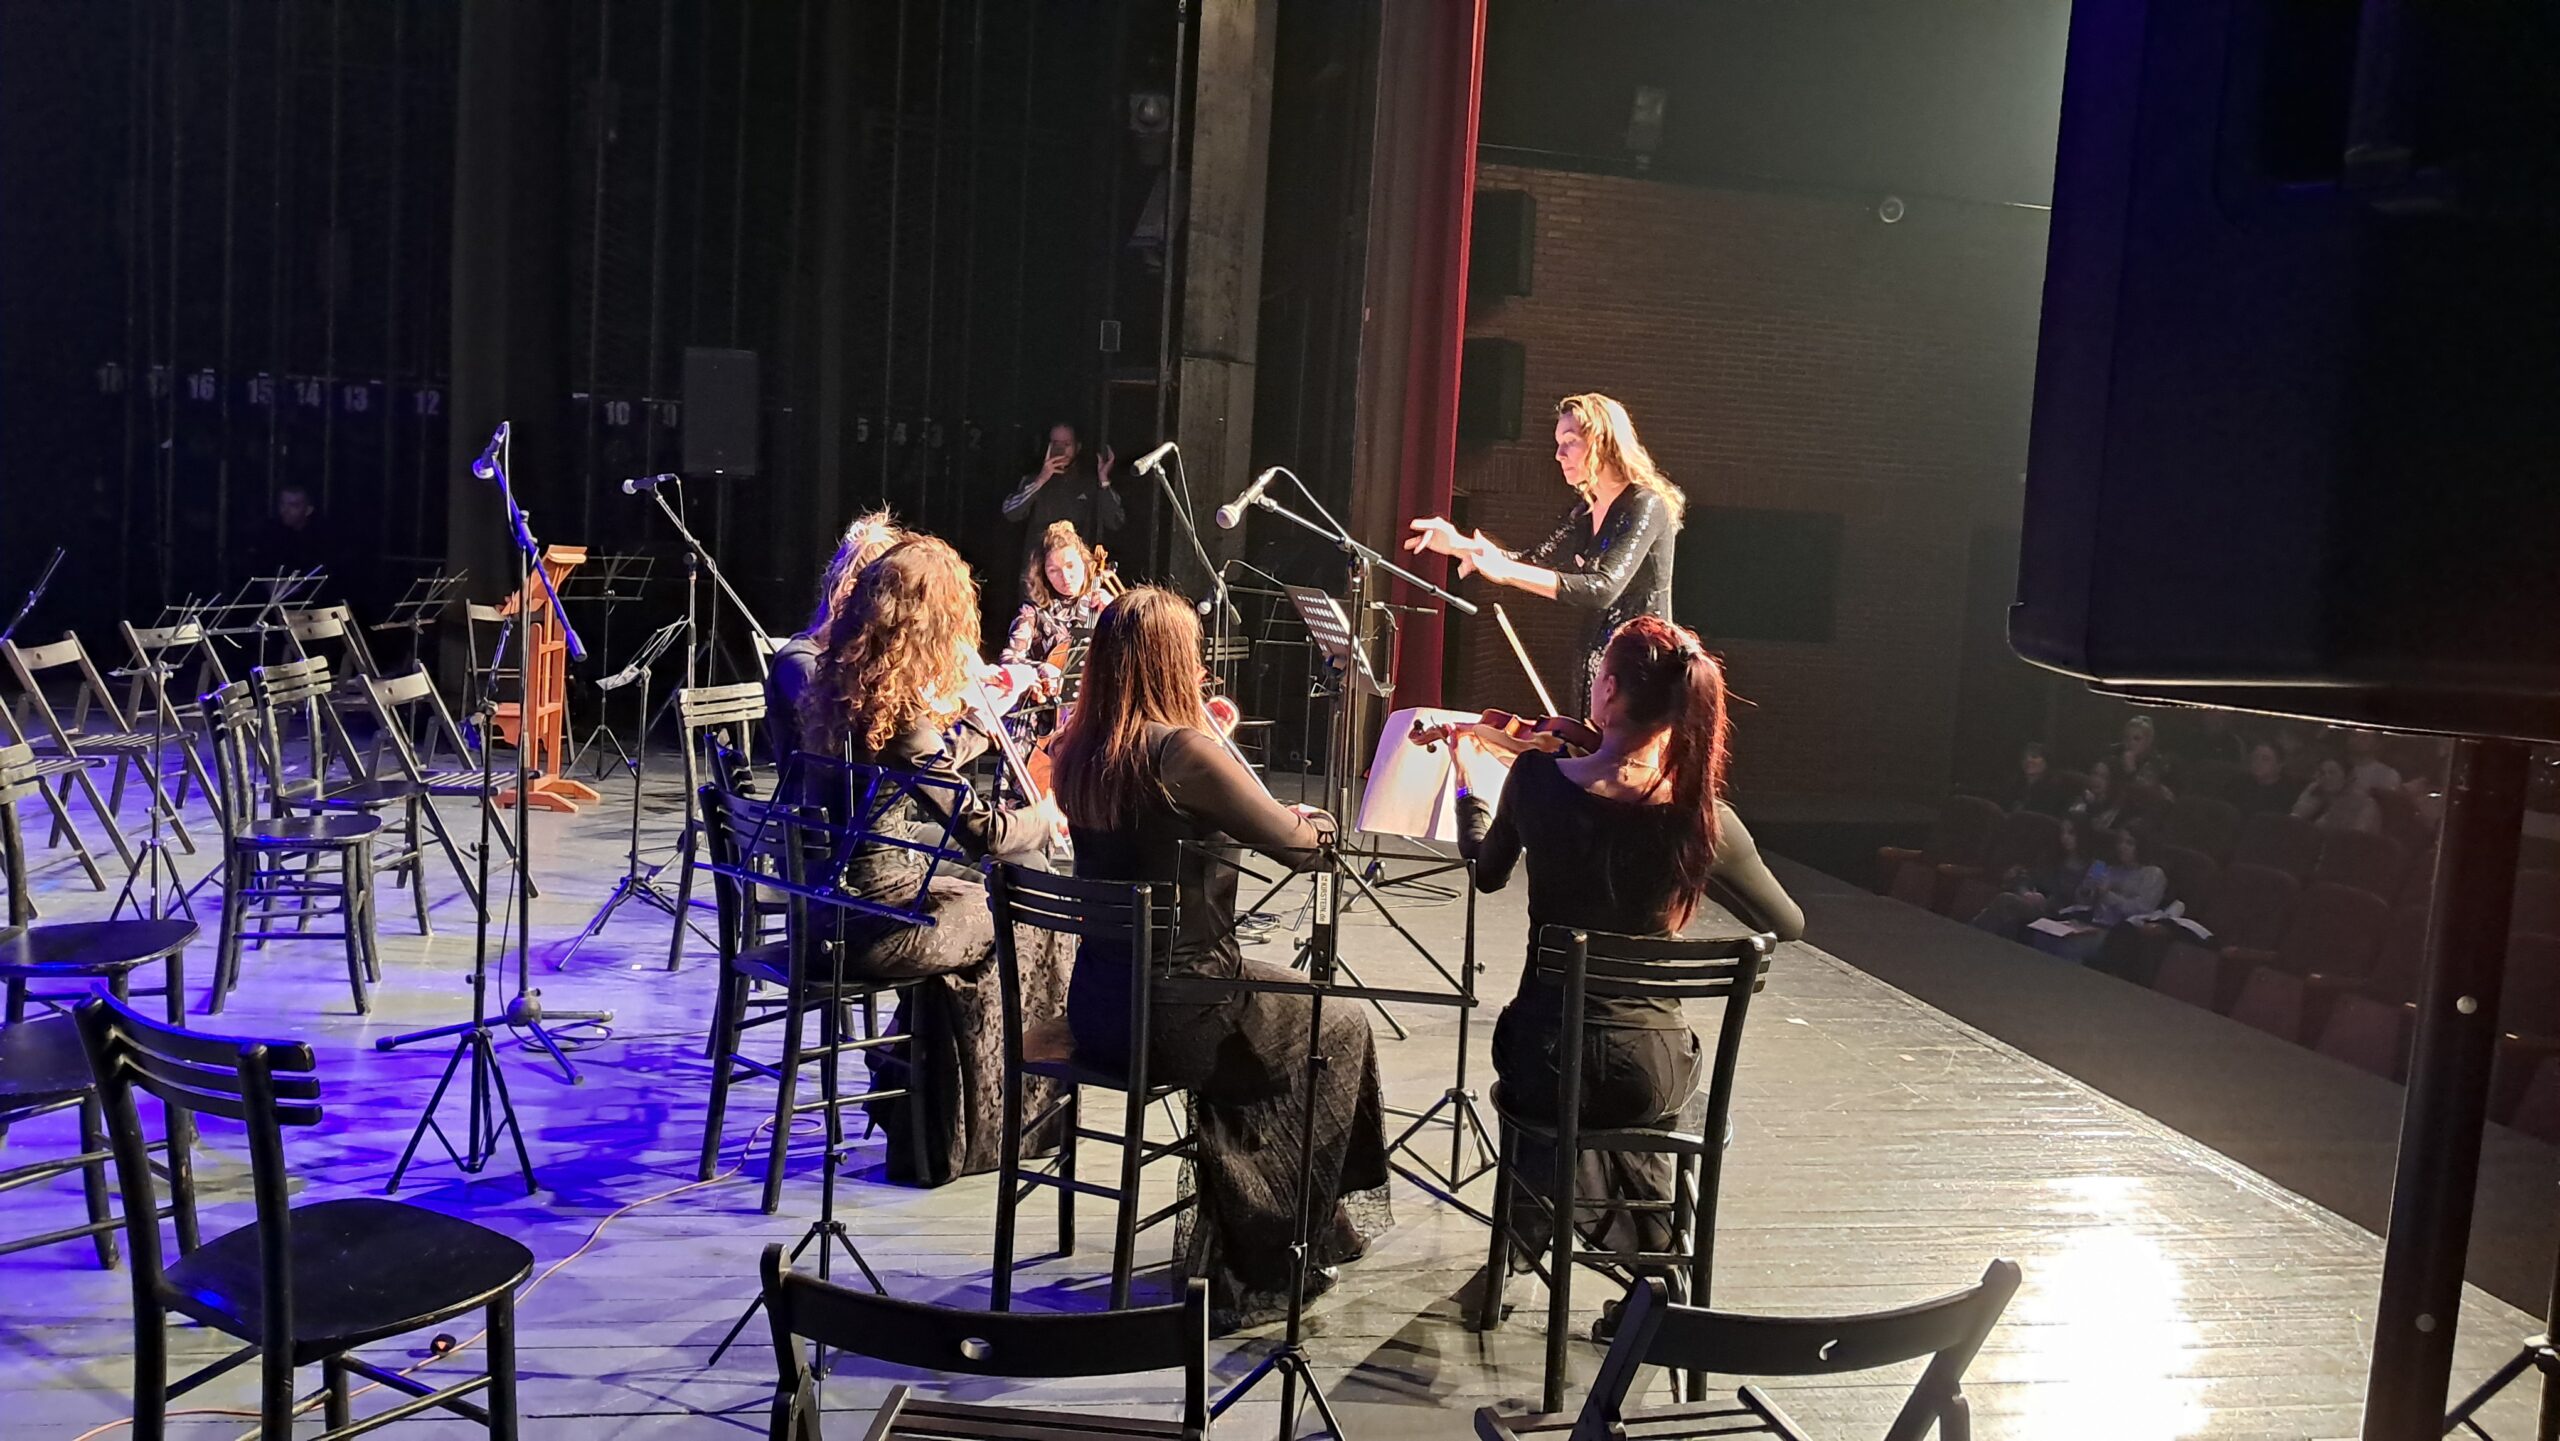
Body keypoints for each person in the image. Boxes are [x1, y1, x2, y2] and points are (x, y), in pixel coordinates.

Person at [1051, 587, 1389, 1332]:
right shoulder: (1185, 751)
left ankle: (1294, 1222)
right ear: (1169, 661)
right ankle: (1271, 1243)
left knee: (1287, 1015)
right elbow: (1300, 850)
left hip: (1101, 1003)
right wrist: (1312, 819)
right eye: (1194, 654)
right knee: (1338, 1024)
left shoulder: (1078, 749)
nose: (1202, 667)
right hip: (1182, 1009)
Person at [1451, 615, 1803, 1309]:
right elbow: (1786, 924)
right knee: (1625, 1085)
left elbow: (1487, 872)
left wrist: (1471, 797)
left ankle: (1518, 1247)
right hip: (1651, 1067)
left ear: (1609, 691)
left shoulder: (1536, 778)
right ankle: (1651, 1281)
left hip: (1543, 1058)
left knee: (1556, 1080)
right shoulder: (1705, 819)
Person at [797, 537, 1073, 1187]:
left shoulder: (848, 686)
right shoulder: (899, 719)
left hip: (835, 904)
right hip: (878, 923)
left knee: (1011, 891)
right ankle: (982, 1120)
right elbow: (985, 830)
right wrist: (1048, 813)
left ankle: (918, 1086)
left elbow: (925, 765)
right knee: (1030, 908)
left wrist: (982, 720)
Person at [1404, 393, 1682, 713]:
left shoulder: (1645, 504)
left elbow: (1602, 588)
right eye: (1558, 443)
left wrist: (1506, 573)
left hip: (1643, 675)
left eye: (1570, 441)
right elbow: (1535, 560)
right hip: (1598, 669)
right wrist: (1460, 545)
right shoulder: (1584, 512)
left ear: (1602, 441)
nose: (1559, 454)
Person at [768, 508, 904, 761]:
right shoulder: (798, 662)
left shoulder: (876, 666)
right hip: (819, 788)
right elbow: (858, 731)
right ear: (849, 592)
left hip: (875, 787)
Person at [1002, 422, 1122, 595]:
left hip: (1077, 579)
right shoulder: (1033, 479)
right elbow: (1010, 512)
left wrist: (1103, 480)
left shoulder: (1089, 483)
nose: (1060, 450)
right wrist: (1041, 480)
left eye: (1066, 444)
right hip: (1038, 579)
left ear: (1077, 447)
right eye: (1055, 444)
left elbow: (1116, 520)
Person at [2027, 826, 2166, 964]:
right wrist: (2087, 889)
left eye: (2129, 843)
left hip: (2117, 933)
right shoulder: (2110, 869)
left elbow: (2142, 909)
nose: (2122, 847)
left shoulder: (2152, 874)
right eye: (2120, 842)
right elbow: (2083, 902)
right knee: (2042, 935)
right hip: (2092, 922)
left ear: (2141, 846)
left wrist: (2108, 895)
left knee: (2069, 946)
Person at [1001, 520, 1112, 671]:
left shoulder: (1101, 602)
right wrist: (1042, 668)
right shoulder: (1032, 611)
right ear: (1043, 574)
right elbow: (1008, 660)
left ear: (1084, 562)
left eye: (1070, 565)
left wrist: (1115, 613)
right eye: (1053, 570)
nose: (1065, 577)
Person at [1971, 817, 2090, 941]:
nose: (2065, 837)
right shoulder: (2052, 858)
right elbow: (2027, 878)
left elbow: (2078, 902)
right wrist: (2026, 893)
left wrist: (2048, 902)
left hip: (2058, 916)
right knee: (2007, 910)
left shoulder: (2090, 869)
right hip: (2033, 906)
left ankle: (1972, 934)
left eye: (2071, 833)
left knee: (2005, 901)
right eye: (2062, 832)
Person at [2293, 755, 2382, 833]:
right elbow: (2294, 818)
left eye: (2332, 773)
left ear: (2347, 777)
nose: (2326, 777)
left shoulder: (2365, 804)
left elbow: (2356, 837)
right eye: (2322, 773)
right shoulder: (2315, 790)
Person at [2230, 742, 2295, 816]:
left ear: (2279, 765)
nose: (2258, 762)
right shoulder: (2238, 783)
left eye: (2265, 759)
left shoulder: (2289, 793)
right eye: (2255, 757)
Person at [2006, 742, 2069, 816]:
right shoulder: (2015, 785)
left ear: (2046, 762)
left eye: (2034, 756)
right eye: (2024, 758)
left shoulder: (2056, 787)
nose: (2028, 760)